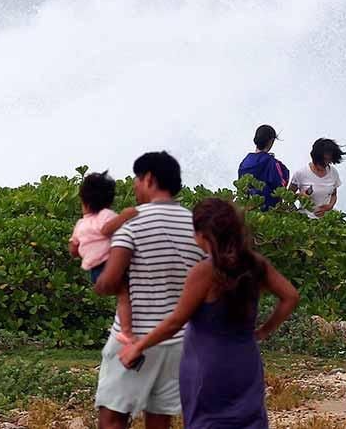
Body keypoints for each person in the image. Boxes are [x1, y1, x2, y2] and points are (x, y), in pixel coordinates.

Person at [118, 198, 300, 429]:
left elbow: (176, 322)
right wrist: (264, 330)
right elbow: (291, 296)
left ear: (203, 235)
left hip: (208, 366)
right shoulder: (255, 263)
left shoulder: (204, 272)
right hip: (246, 362)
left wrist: (138, 345)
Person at [93, 151, 203, 429]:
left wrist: (93, 268)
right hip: (178, 341)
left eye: (137, 179)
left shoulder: (131, 222)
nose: (134, 186)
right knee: (159, 420)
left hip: (132, 341)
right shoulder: (195, 226)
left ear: (150, 178)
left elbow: (108, 283)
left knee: (113, 417)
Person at [70, 170, 138, 344]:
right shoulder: (106, 215)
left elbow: (73, 249)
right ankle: (127, 331)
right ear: (109, 200)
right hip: (109, 266)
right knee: (124, 296)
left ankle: (123, 329)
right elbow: (106, 229)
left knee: (120, 297)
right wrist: (126, 215)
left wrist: (85, 248)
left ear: (83, 202)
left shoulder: (80, 224)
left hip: (94, 271)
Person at [290, 138, 346, 217]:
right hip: (304, 220)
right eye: (322, 162)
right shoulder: (300, 173)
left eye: (328, 161)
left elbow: (333, 195)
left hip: (326, 221)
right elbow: (288, 196)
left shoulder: (333, 172)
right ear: (315, 158)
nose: (325, 165)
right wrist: (299, 196)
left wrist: (329, 207)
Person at [238, 125, 289, 211]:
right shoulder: (272, 163)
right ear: (271, 142)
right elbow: (281, 186)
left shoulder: (245, 162)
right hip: (269, 212)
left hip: (249, 210)